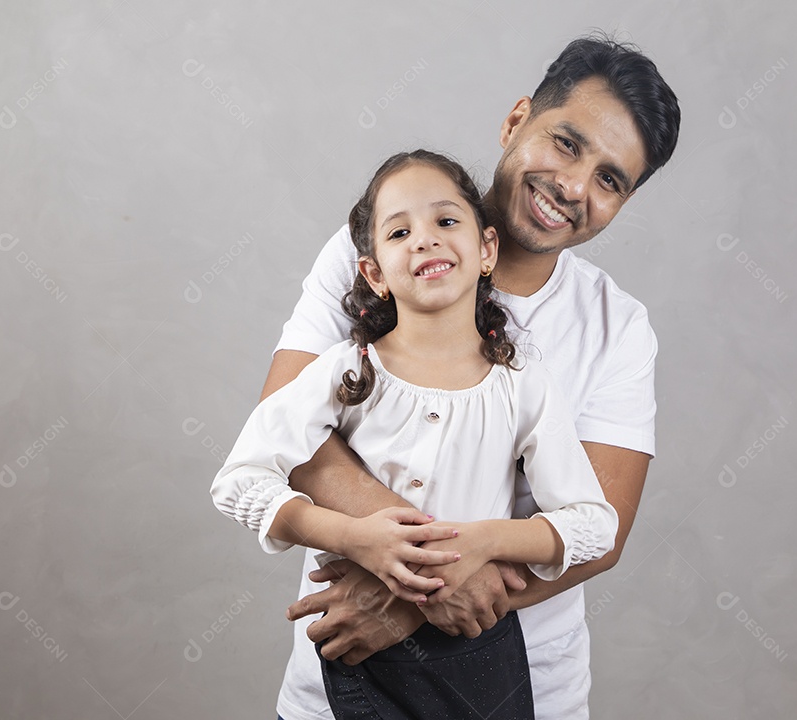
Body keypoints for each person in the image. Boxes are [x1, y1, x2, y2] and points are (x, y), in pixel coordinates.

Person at [264, 33, 680, 720]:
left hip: (526, 685)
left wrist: (408, 601)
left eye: (610, 180)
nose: (573, 187)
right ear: (517, 121)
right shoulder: (379, 244)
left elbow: (600, 529)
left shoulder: (617, 327)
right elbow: (286, 415)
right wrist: (427, 579)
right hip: (341, 677)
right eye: (566, 143)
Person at [212, 150, 619, 719]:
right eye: (399, 231)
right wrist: (353, 538)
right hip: (356, 665)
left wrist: (481, 544)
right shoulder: (344, 372)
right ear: (373, 273)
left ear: (486, 251)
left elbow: (595, 525)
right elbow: (238, 480)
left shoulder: (523, 385)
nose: (425, 239)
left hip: (476, 665)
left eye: (447, 221)